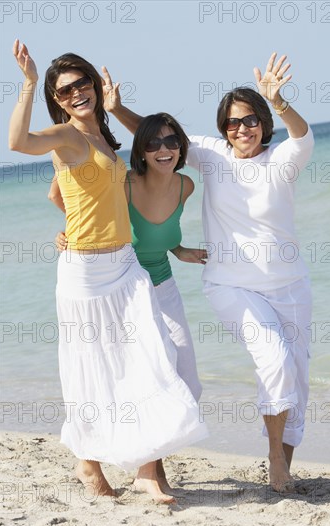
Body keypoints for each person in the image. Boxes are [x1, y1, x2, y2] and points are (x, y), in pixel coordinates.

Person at [9, 40, 207, 504]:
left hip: (125, 263)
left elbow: (62, 196)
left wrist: (170, 244)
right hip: (85, 272)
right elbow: (18, 143)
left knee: (152, 355)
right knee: (91, 368)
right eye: (64, 91)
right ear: (56, 101)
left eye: (82, 84)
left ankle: (145, 469)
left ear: (94, 86)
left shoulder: (104, 140)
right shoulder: (68, 137)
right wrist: (29, 84)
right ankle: (89, 462)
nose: (76, 93)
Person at [110, 53, 314, 493]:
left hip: (291, 285)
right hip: (231, 284)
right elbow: (158, 139)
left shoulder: (283, 159)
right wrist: (116, 110)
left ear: (263, 121)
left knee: (296, 375)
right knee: (273, 358)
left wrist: (279, 101)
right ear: (223, 128)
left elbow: (303, 134)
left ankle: (285, 462)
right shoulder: (214, 155)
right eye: (233, 123)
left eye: (250, 120)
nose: (242, 130)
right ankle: (275, 457)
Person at [52, 112, 205, 494]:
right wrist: (73, 229)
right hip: (123, 284)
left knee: (184, 375)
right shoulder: (127, 182)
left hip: (162, 283)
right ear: (141, 151)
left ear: (181, 147)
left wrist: (179, 249)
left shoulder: (185, 187)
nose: (163, 149)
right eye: (152, 143)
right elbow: (68, 196)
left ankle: (151, 464)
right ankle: (147, 472)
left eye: (171, 142)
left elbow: (161, 232)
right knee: (142, 373)